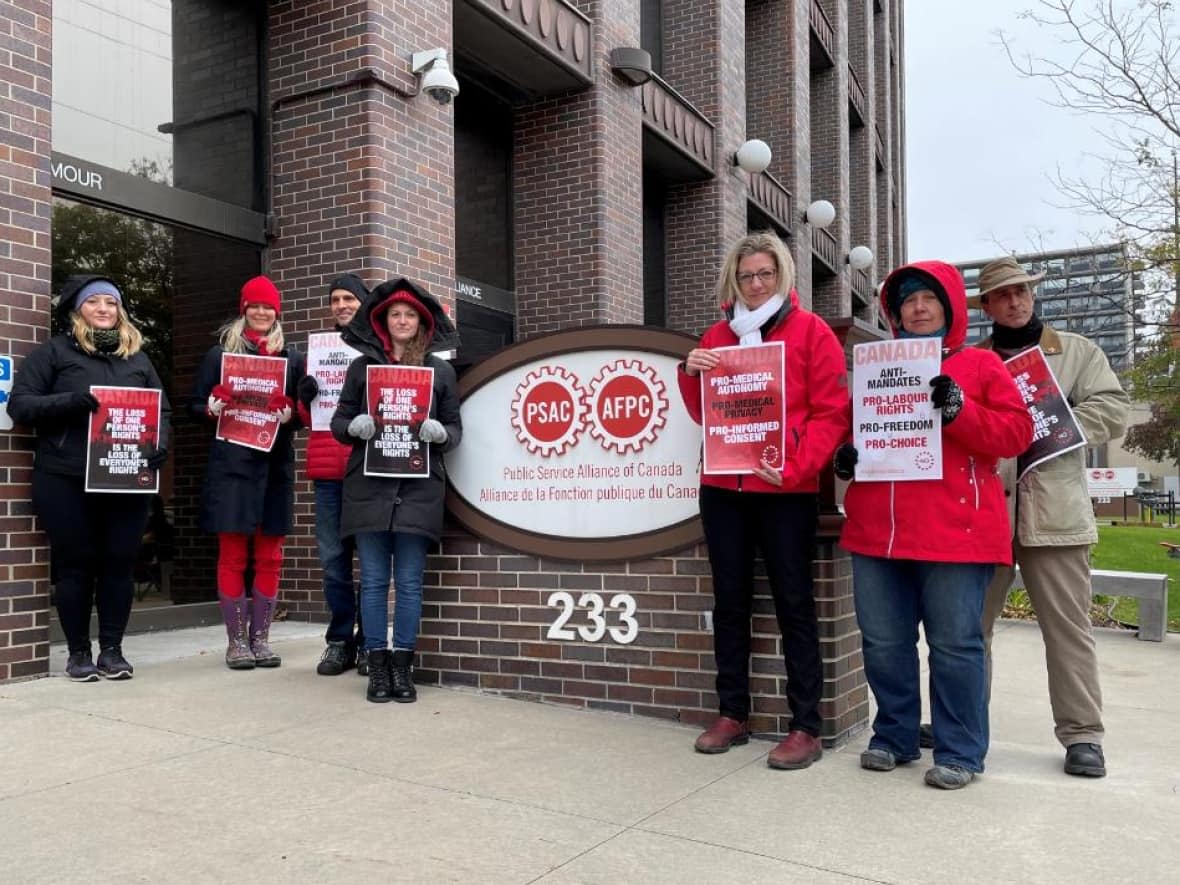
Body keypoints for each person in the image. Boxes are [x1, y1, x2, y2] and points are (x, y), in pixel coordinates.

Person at [837, 261, 1033, 789]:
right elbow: (860, 431)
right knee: (883, 643)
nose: (917, 308)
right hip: (879, 529)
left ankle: (960, 750)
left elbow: (1016, 434)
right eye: (907, 302)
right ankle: (894, 736)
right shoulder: (878, 370)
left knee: (954, 646)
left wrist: (961, 410)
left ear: (948, 307)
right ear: (894, 313)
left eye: (927, 299)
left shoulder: (981, 366)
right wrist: (848, 456)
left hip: (957, 532)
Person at [676, 232, 850, 770]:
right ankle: (733, 713)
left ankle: (806, 726)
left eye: (765, 275)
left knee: (793, 605)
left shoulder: (811, 332)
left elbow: (832, 414)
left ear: (782, 278)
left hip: (784, 490)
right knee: (730, 604)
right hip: (724, 489)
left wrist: (795, 467)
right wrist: (689, 374)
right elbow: (706, 413)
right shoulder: (718, 334)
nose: (755, 284)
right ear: (735, 280)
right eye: (747, 275)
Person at [972, 255, 1130, 778]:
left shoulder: (1077, 352)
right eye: (1003, 294)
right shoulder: (975, 361)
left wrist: (1052, 423)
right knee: (971, 630)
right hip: (987, 515)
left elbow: (1113, 408)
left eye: (1022, 291)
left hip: (1055, 512)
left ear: (1032, 295)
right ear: (988, 305)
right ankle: (965, 723)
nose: (1015, 300)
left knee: (1068, 630)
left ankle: (1083, 735)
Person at [9, 275, 171, 681]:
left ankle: (112, 651)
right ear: (77, 309)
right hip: (65, 477)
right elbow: (21, 405)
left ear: (120, 312)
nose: (103, 309)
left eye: (111, 303)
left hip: (124, 477)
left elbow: (161, 410)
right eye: (94, 302)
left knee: (119, 564)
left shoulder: (137, 358)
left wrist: (159, 445)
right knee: (76, 565)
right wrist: (72, 403)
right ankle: (78, 652)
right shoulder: (54, 352)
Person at [331, 278, 460, 703]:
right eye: (394, 314)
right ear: (383, 321)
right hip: (368, 488)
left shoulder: (439, 370)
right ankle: (377, 667)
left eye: (409, 315)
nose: (402, 320)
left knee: (408, 583)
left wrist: (441, 433)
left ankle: (403, 667)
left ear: (421, 323)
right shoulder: (361, 369)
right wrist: (353, 427)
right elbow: (339, 421)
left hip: (418, 490)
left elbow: (456, 430)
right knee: (370, 582)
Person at [192, 276, 304, 670]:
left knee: (271, 555)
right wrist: (212, 406)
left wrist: (291, 413)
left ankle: (261, 640)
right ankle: (236, 642)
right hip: (232, 469)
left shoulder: (291, 359)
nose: (261, 312)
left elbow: (305, 412)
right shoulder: (218, 356)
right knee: (233, 554)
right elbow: (195, 406)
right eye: (254, 306)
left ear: (277, 313)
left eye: (268, 307)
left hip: (274, 468)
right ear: (243, 310)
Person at [295, 274, 369, 676]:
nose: (341, 305)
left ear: (363, 303)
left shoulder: (376, 350)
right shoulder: (319, 352)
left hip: (369, 469)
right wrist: (304, 399)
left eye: (349, 299)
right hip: (327, 471)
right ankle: (340, 641)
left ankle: (370, 641)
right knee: (334, 562)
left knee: (371, 563)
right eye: (336, 299)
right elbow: (308, 418)